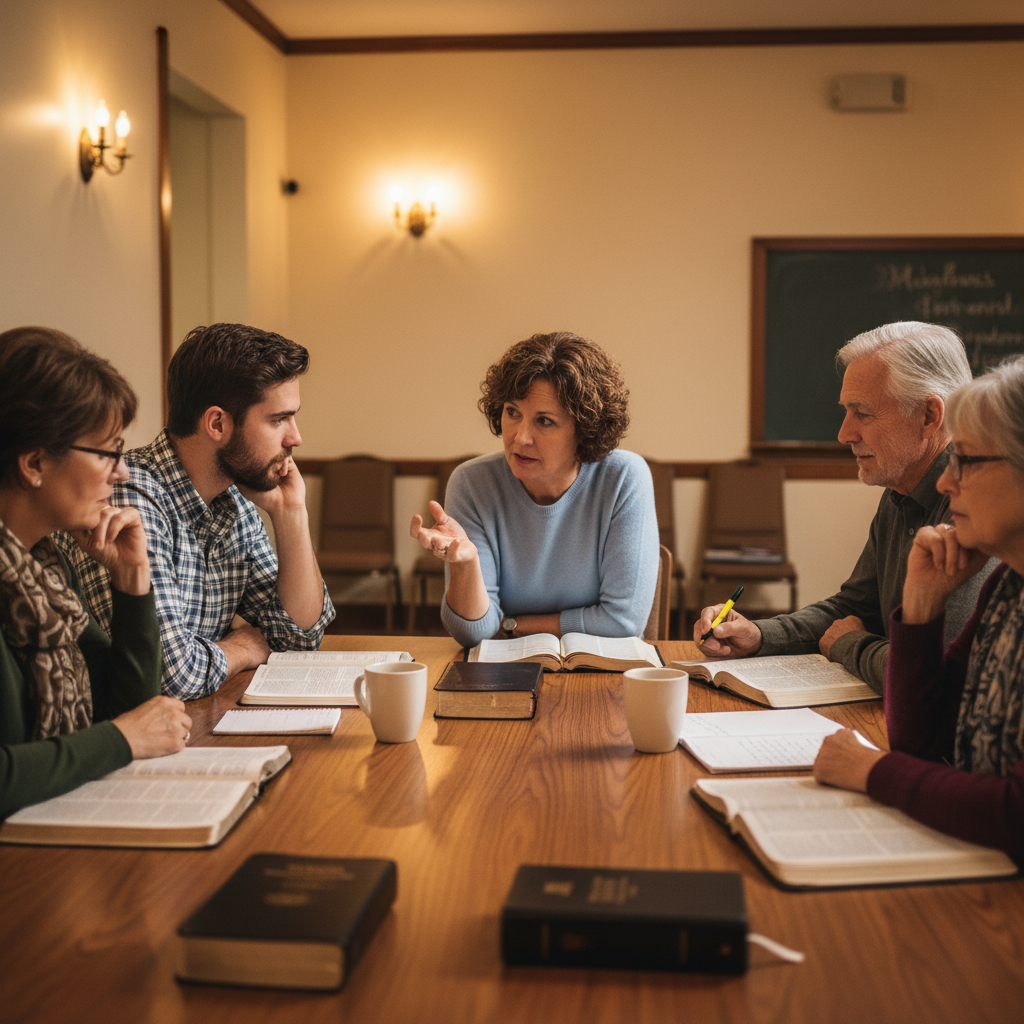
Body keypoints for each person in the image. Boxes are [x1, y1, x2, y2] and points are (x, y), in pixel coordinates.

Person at [695, 321, 996, 693]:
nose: (844, 434)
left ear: (929, 417)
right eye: (846, 411)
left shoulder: (977, 504)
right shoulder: (900, 488)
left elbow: (938, 673)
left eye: (863, 414)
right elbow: (855, 608)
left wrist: (848, 645)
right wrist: (758, 635)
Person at [814, 355, 1024, 859]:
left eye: (966, 461)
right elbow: (922, 741)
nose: (947, 485)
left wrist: (870, 770)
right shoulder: (1007, 590)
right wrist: (922, 608)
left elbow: (1015, 814)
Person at [60, 323, 334, 700]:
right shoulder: (132, 496)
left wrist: (292, 515)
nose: (295, 437)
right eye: (278, 419)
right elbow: (170, 675)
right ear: (217, 423)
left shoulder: (235, 502)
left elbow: (298, 637)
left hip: (189, 726)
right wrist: (241, 649)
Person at [0, 327, 191, 817]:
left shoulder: (42, 564)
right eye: (107, 451)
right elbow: (129, 728)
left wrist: (133, 581)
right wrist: (120, 741)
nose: (122, 472)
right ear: (35, 462)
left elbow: (127, 704)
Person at [410, 331, 659, 649]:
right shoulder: (471, 483)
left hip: (601, 670)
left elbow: (622, 623)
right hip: (507, 674)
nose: (520, 437)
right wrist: (466, 565)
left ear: (584, 430)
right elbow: (475, 634)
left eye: (544, 421)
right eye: (513, 412)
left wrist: (512, 626)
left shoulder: (624, 477)